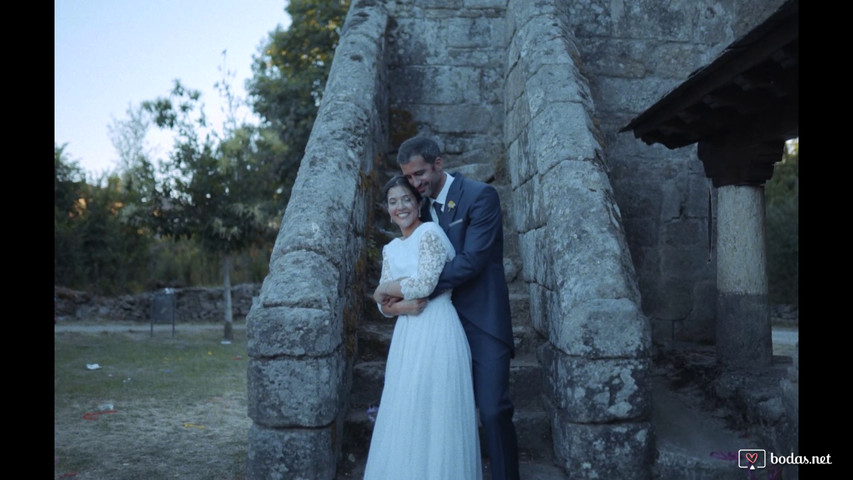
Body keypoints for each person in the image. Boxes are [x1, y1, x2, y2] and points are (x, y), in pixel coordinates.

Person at [389, 135, 521, 480]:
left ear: (438, 164)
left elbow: (471, 262)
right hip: (438, 326)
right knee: (441, 415)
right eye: (409, 177)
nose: (415, 184)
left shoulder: (480, 197)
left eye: (420, 174)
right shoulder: (419, 210)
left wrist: (407, 291)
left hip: (482, 322)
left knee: (493, 410)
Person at [363, 175, 483, 480]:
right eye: (393, 202)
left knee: (436, 411)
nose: (400, 207)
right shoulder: (390, 248)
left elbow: (425, 284)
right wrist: (398, 305)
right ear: (387, 209)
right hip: (407, 336)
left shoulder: (430, 232)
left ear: (418, 204)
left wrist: (384, 290)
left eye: (406, 199)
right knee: (406, 411)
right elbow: (385, 305)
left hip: (437, 328)